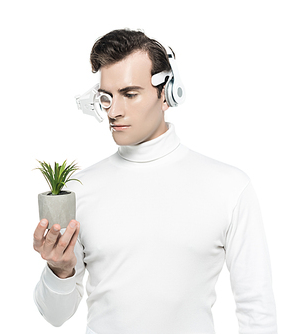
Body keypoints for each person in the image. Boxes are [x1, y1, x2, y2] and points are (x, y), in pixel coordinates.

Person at [32, 29, 277, 334]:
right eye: (107, 97)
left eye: (130, 94)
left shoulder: (228, 187)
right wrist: (59, 269)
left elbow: (257, 309)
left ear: (167, 94)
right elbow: (55, 316)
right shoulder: (80, 190)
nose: (114, 111)